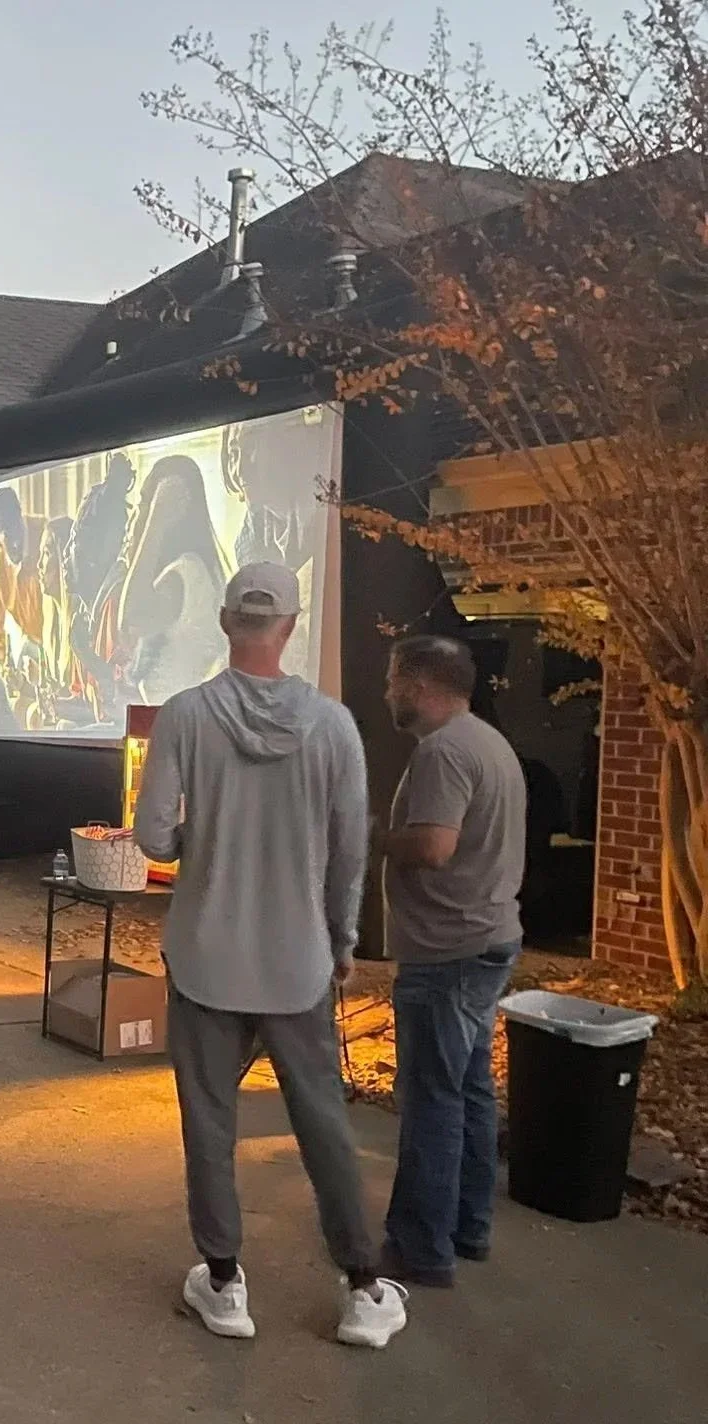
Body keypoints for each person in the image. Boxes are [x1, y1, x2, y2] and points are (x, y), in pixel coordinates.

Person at [134, 562, 407, 1348]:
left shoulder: (186, 716)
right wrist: (342, 939)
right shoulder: (334, 726)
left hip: (206, 957)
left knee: (208, 1120)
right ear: (290, 627)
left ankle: (224, 1284)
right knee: (322, 1122)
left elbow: (152, 837)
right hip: (297, 963)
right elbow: (349, 850)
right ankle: (362, 1286)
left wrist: (194, 842)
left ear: (226, 622)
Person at [378, 634, 526, 1287]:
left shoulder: (443, 751)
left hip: (448, 954)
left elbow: (435, 847)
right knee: (468, 1090)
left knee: (432, 1100)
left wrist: (373, 837)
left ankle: (421, 1248)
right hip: (485, 941)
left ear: (419, 684)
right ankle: (469, 1227)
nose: (387, 692)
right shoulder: (489, 743)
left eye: (393, 680)